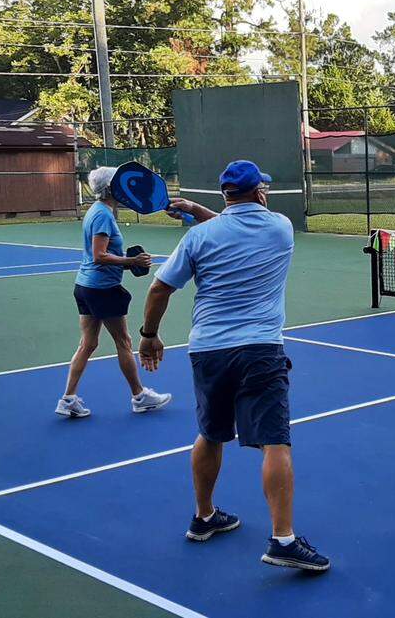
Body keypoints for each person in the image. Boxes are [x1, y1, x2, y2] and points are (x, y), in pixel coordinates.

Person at [138, 160, 329, 572]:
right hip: (260, 350)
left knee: (210, 434)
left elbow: (159, 287)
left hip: (207, 351)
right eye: (264, 186)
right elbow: (235, 226)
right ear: (260, 192)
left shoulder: (199, 237)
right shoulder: (280, 228)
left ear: (226, 194)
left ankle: (204, 517)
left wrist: (149, 334)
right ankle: (283, 540)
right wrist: (196, 209)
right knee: (275, 442)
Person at [57, 167, 171, 418]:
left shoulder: (97, 212)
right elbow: (99, 256)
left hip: (86, 286)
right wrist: (131, 262)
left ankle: (68, 399)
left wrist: (127, 260)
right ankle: (139, 396)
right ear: (111, 188)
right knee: (124, 342)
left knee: (88, 343)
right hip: (101, 289)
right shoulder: (103, 216)